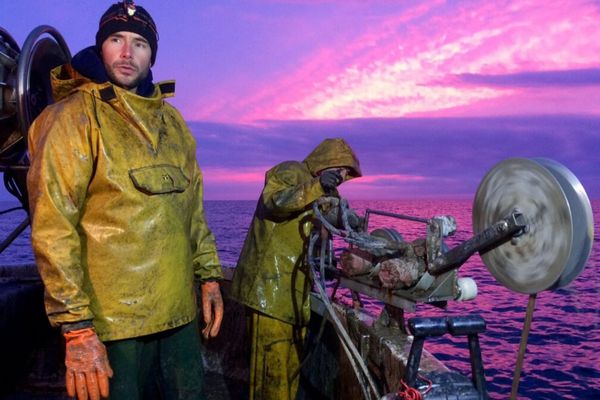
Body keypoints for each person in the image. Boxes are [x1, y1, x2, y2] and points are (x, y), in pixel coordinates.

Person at [26, 2, 224, 399]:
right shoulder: (73, 116)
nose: (126, 52)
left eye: (139, 43)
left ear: (152, 54)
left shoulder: (174, 124)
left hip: (178, 316)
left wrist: (209, 277)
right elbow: (53, 225)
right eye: (116, 40)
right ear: (101, 47)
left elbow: (192, 210)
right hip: (110, 325)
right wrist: (77, 328)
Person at [230, 138, 362, 400]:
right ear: (329, 163)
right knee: (270, 375)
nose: (344, 177)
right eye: (343, 170)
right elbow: (275, 202)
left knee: (288, 374)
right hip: (268, 292)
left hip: (293, 298)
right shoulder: (290, 171)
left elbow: (323, 233)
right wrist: (316, 186)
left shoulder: (326, 194)